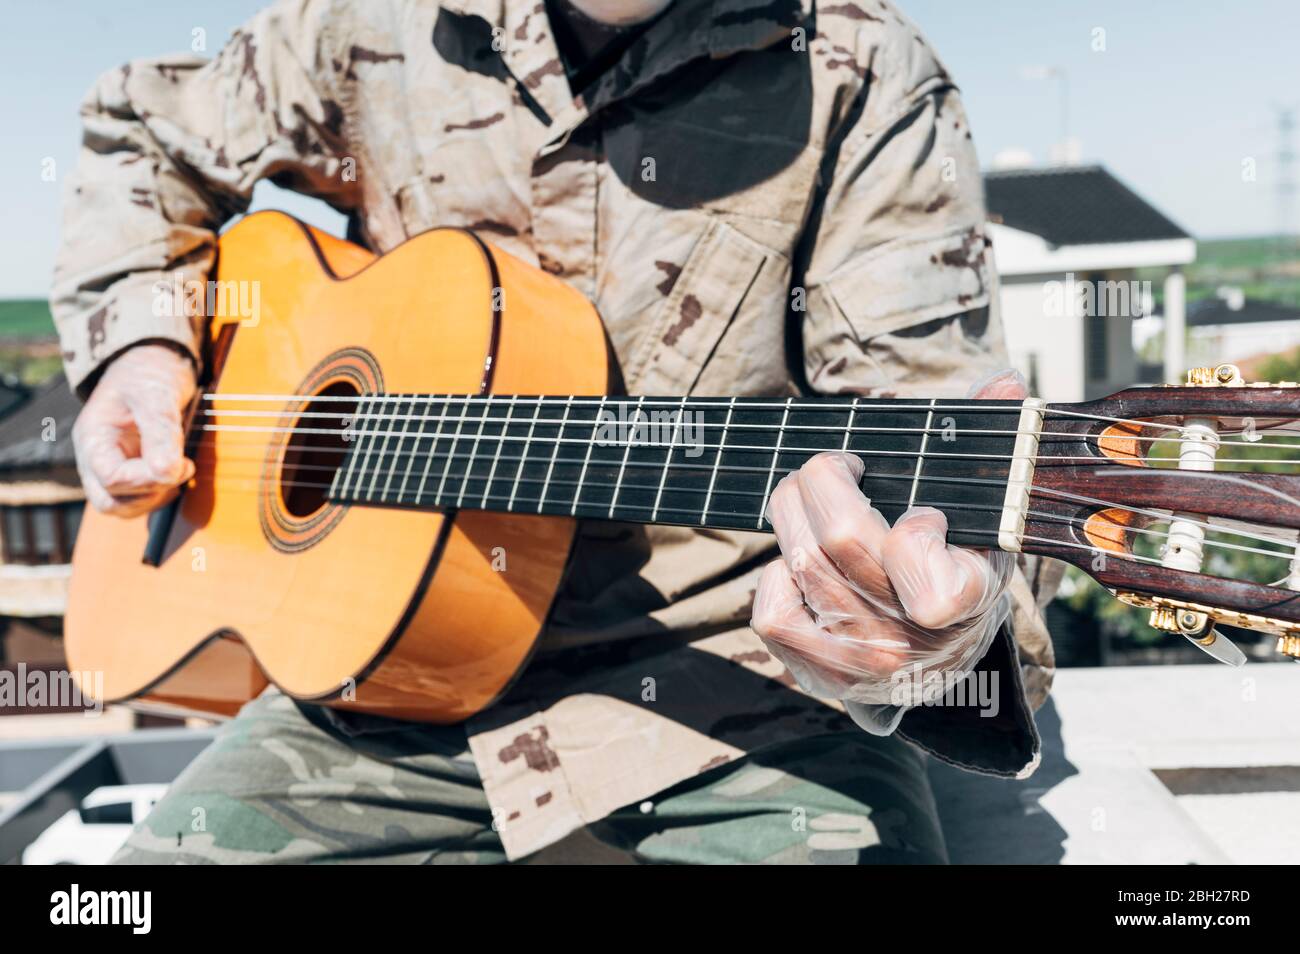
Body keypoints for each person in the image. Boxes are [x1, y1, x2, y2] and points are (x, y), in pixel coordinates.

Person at [53, 0, 1060, 864]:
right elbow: (140, 127)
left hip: (737, 701)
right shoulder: (373, 25)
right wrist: (142, 351)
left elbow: (932, 454)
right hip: (378, 681)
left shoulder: (864, 73)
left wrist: (936, 631)